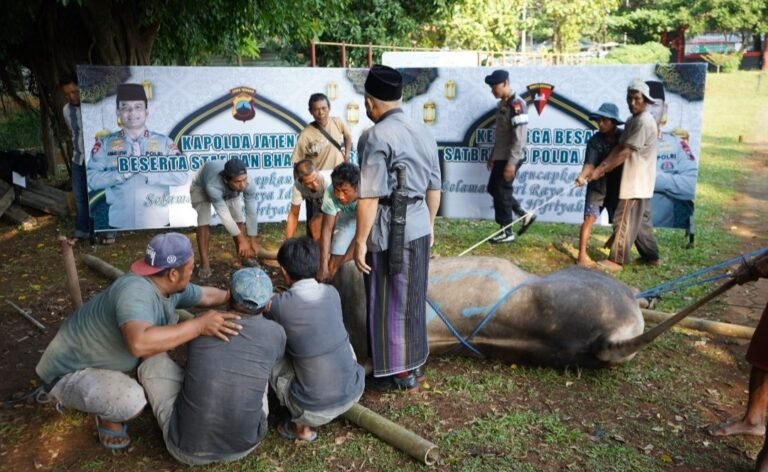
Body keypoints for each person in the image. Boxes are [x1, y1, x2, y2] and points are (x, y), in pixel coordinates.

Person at [34, 232, 240, 451]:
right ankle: (106, 417)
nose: (193, 271)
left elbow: (207, 296)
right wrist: (198, 326)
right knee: (130, 399)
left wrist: (235, 294)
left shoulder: (167, 286)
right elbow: (139, 344)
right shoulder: (134, 291)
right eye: (191, 268)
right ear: (172, 274)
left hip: (107, 359)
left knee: (164, 333)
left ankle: (128, 375)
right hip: (69, 372)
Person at [139, 267, 286, 465]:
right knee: (258, 369)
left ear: (229, 295)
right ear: (268, 304)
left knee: (151, 359)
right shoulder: (277, 333)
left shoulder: (202, 327)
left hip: (185, 449)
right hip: (245, 445)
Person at [353, 64, 442, 391]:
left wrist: (360, 241)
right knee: (413, 297)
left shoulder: (376, 135)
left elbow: (370, 196)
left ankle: (395, 372)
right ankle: (414, 364)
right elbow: (435, 188)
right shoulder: (424, 131)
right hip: (418, 225)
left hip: (388, 230)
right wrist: (429, 225)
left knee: (386, 298)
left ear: (370, 102)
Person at [266, 237, 364, 441]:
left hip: (312, 409)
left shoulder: (279, 305)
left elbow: (261, 315)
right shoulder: (332, 292)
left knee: (270, 348)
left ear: (284, 271)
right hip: (354, 390)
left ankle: (302, 430)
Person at [582, 79, 660, 271]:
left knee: (623, 220)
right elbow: (619, 147)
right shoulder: (632, 120)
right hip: (639, 182)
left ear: (646, 101)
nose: (632, 103)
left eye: (637, 99)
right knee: (640, 224)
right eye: (629, 98)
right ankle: (652, 256)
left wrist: (600, 170)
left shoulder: (643, 121)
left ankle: (616, 260)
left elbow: (626, 152)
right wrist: (601, 167)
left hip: (635, 181)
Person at [87, 83, 188, 230]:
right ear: (117, 113)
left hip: (158, 221)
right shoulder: (105, 144)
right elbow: (91, 179)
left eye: (138, 107)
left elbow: (182, 176)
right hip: (118, 223)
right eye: (125, 108)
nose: (132, 113)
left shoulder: (164, 142)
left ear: (146, 112)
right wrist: (121, 174)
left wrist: (149, 172)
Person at [484, 69, 536, 244]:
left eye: (495, 86)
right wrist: (493, 154)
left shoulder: (517, 104)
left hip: (511, 156)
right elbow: (501, 135)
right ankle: (523, 214)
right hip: (501, 155)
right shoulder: (503, 104)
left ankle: (507, 231)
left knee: (501, 190)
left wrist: (511, 163)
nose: (492, 90)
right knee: (493, 188)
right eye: (491, 87)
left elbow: (519, 138)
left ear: (505, 83)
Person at [189, 158, 259, 279]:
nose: (242, 184)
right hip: (200, 186)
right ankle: (205, 264)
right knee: (204, 221)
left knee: (238, 218)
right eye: (238, 181)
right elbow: (225, 216)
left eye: (244, 179)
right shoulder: (213, 186)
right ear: (226, 180)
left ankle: (244, 257)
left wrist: (252, 240)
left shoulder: (247, 182)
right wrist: (242, 240)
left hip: (227, 188)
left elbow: (251, 212)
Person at [645, 80, 698, 234]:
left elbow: (691, 186)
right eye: (645, 104)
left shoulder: (677, 144)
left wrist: (654, 179)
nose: (650, 110)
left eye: (655, 105)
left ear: (664, 108)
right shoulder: (622, 142)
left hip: (664, 231)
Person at [574, 102, 624, 267]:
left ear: (614, 121)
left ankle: (615, 256)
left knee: (620, 222)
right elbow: (590, 164)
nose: (600, 124)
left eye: (605, 120)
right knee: (589, 218)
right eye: (598, 120)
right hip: (598, 184)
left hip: (619, 184)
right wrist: (582, 176)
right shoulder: (595, 140)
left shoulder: (624, 138)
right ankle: (581, 256)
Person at [317, 162, 360, 283]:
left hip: (370, 221)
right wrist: (324, 265)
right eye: (337, 190)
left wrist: (342, 264)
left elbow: (361, 235)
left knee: (351, 261)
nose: (340, 196)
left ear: (356, 188)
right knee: (332, 263)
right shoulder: (330, 192)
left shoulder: (365, 194)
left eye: (345, 191)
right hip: (348, 217)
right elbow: (326, 229)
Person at [291, 93, 352, 170]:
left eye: (324, 108)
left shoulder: (338, 122)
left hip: (339, 174)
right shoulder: (305, 134)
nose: (321, 113)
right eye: (316, 109)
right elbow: (297, 162)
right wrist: (298, 181)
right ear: (310, 111)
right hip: (318, 177)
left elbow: (348, 137)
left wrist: (346, 155)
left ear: (329, 108)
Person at [285, 159, 330, 241]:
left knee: (315, 224)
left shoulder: (328, 181)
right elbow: (294, 214)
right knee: (313, 228)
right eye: (309, 183)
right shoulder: (297, 186)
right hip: (318, 204)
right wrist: (288, 242)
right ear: (300, 181)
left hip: (341, 208)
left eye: (316, 179)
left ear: (317, 171)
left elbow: (333, 213)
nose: (315, 185)